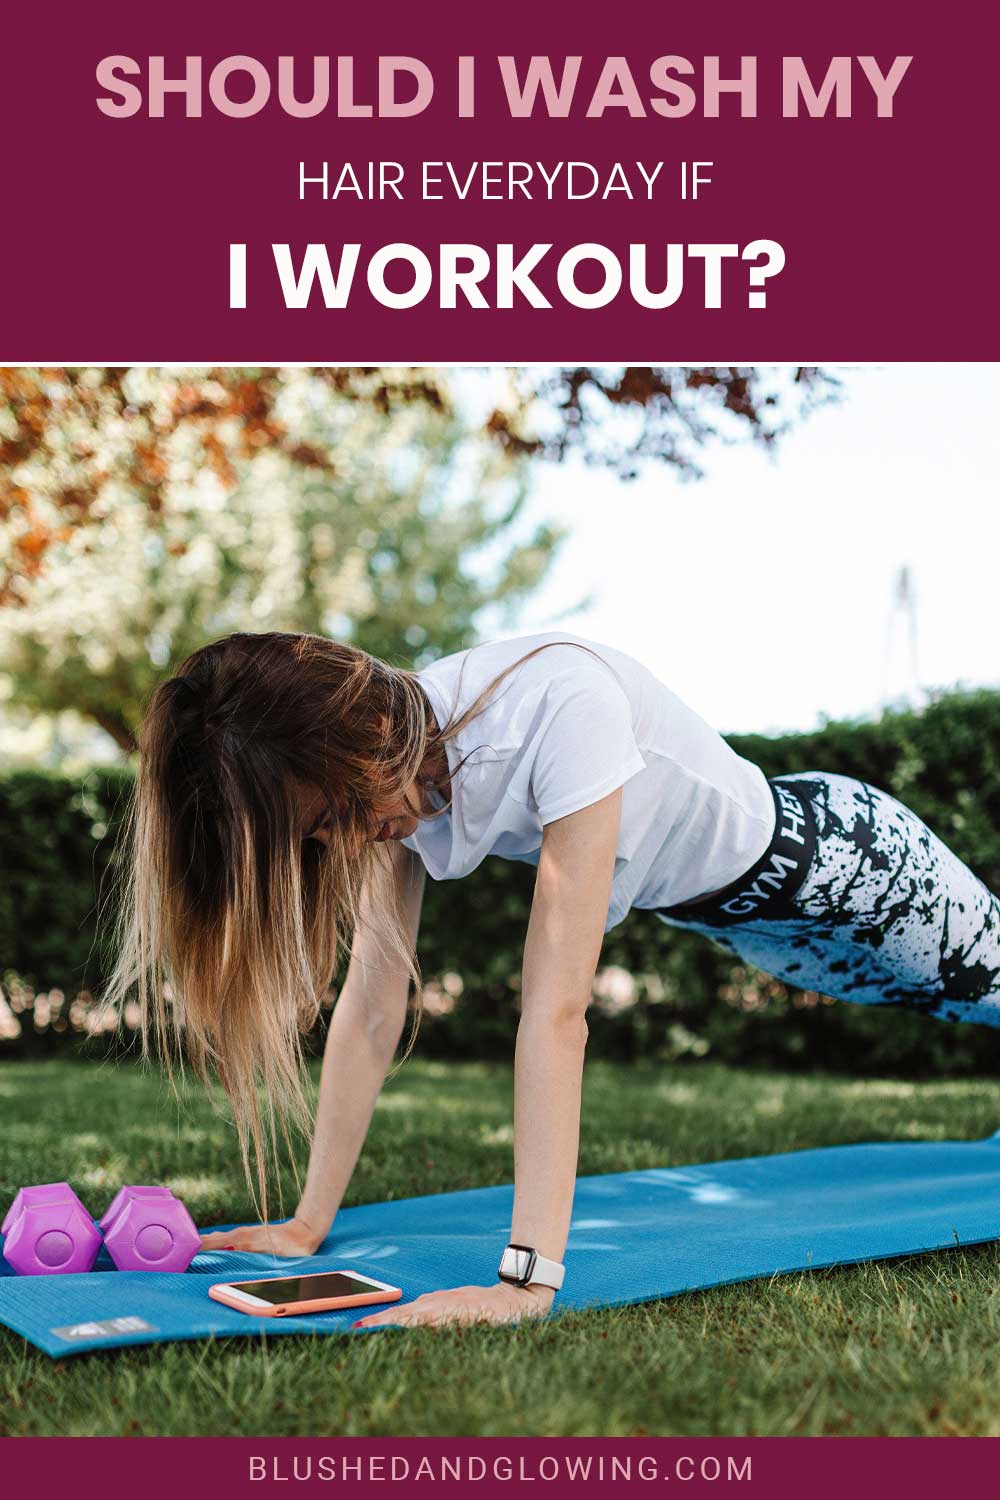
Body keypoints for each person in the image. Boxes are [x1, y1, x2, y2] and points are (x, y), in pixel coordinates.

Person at [112, 629, 1000, 1329]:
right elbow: (373, 1006)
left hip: (849, 867)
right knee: (948, 1006)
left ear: (370, 737)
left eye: (336, 816)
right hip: (758, 931)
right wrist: (307, 1225)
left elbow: (557, 1012)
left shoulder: (559, 705)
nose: (344, 840)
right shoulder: (397, 767)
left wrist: (526, 1282)